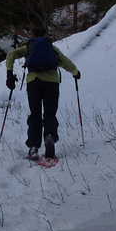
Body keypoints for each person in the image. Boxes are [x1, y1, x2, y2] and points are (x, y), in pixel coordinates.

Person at [6, 26, 80, 160]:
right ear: (45, 34)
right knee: (50, 113)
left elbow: (11, 54)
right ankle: (49, 136)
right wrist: (75, 72)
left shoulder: (29, 47)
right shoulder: (51, 48)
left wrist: (9, 74)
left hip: (33, 82)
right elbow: (64, 62)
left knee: (35, 113)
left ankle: (33, 147)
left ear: (32, 34)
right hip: (51, 83)